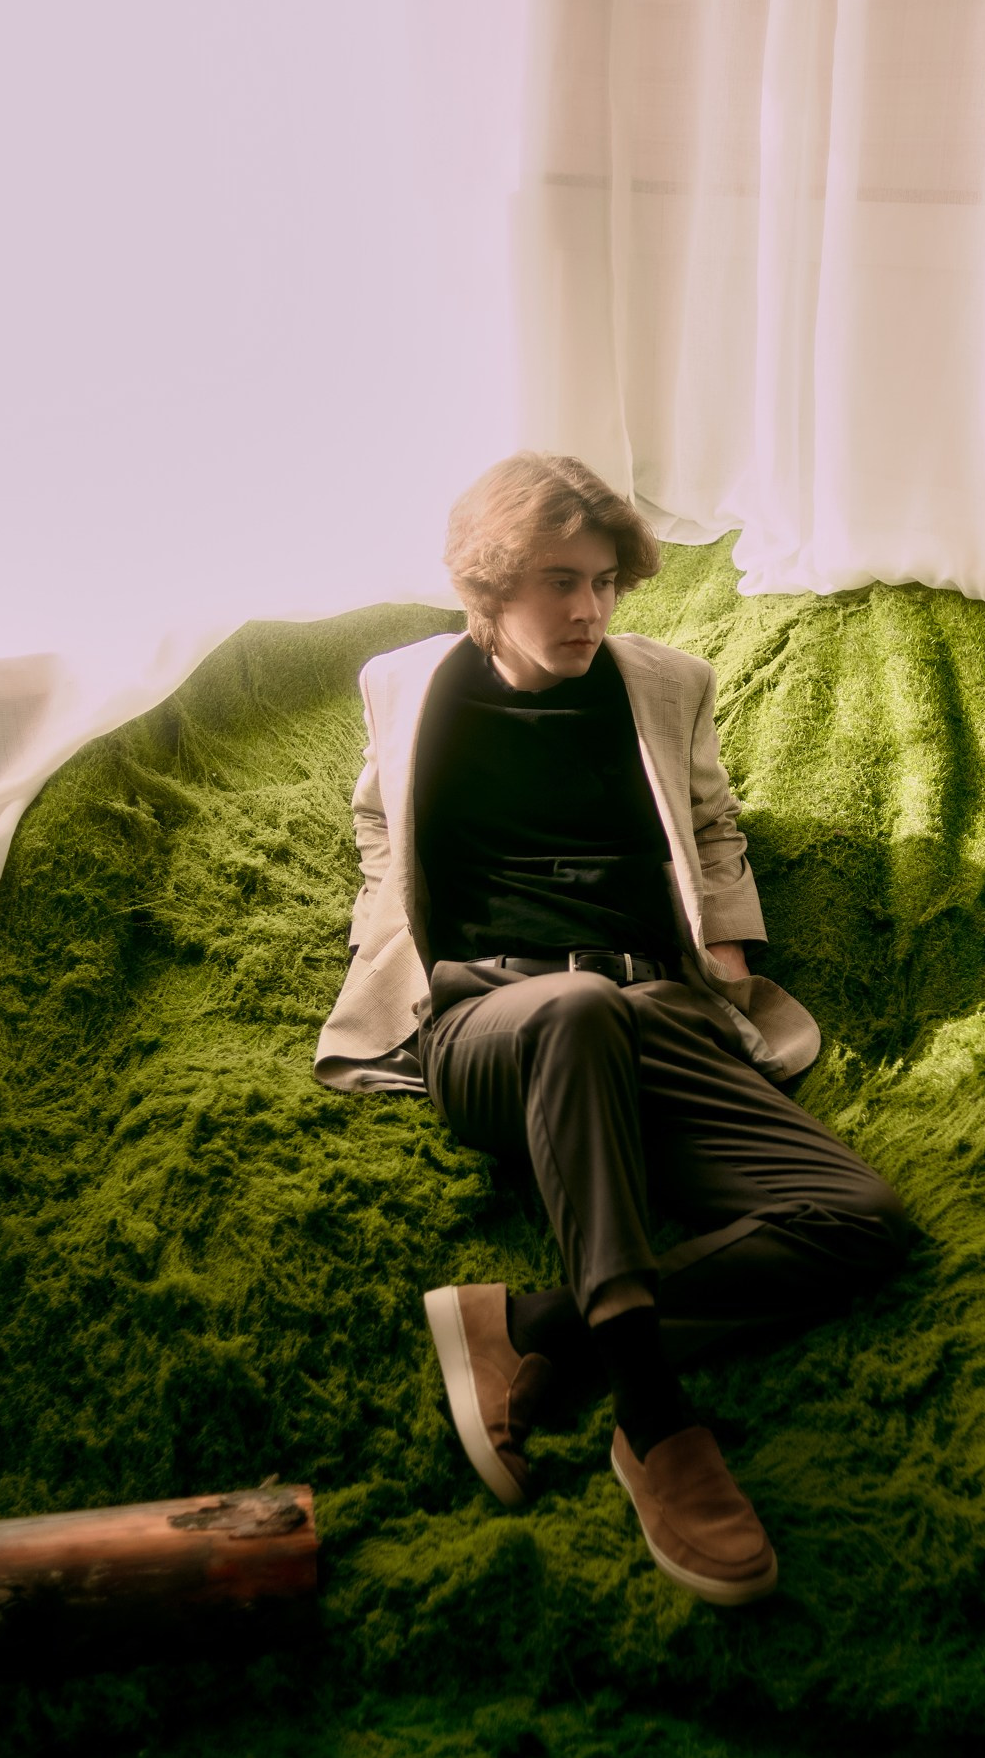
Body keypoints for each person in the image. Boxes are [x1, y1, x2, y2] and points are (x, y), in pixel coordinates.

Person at [314, 452, 906, 1606]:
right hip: (490, 1022)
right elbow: (380, 825)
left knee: (860, 1218)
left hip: (651, 1008)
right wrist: (383, 942)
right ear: (488, 583)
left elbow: (713, 826)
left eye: (602, 582)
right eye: (558, 581)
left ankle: (531, 1325)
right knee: (571, 1007)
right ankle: (652, 1414)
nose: (588, 608)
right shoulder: (403, 683)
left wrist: (727, 954)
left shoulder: (668, 683)